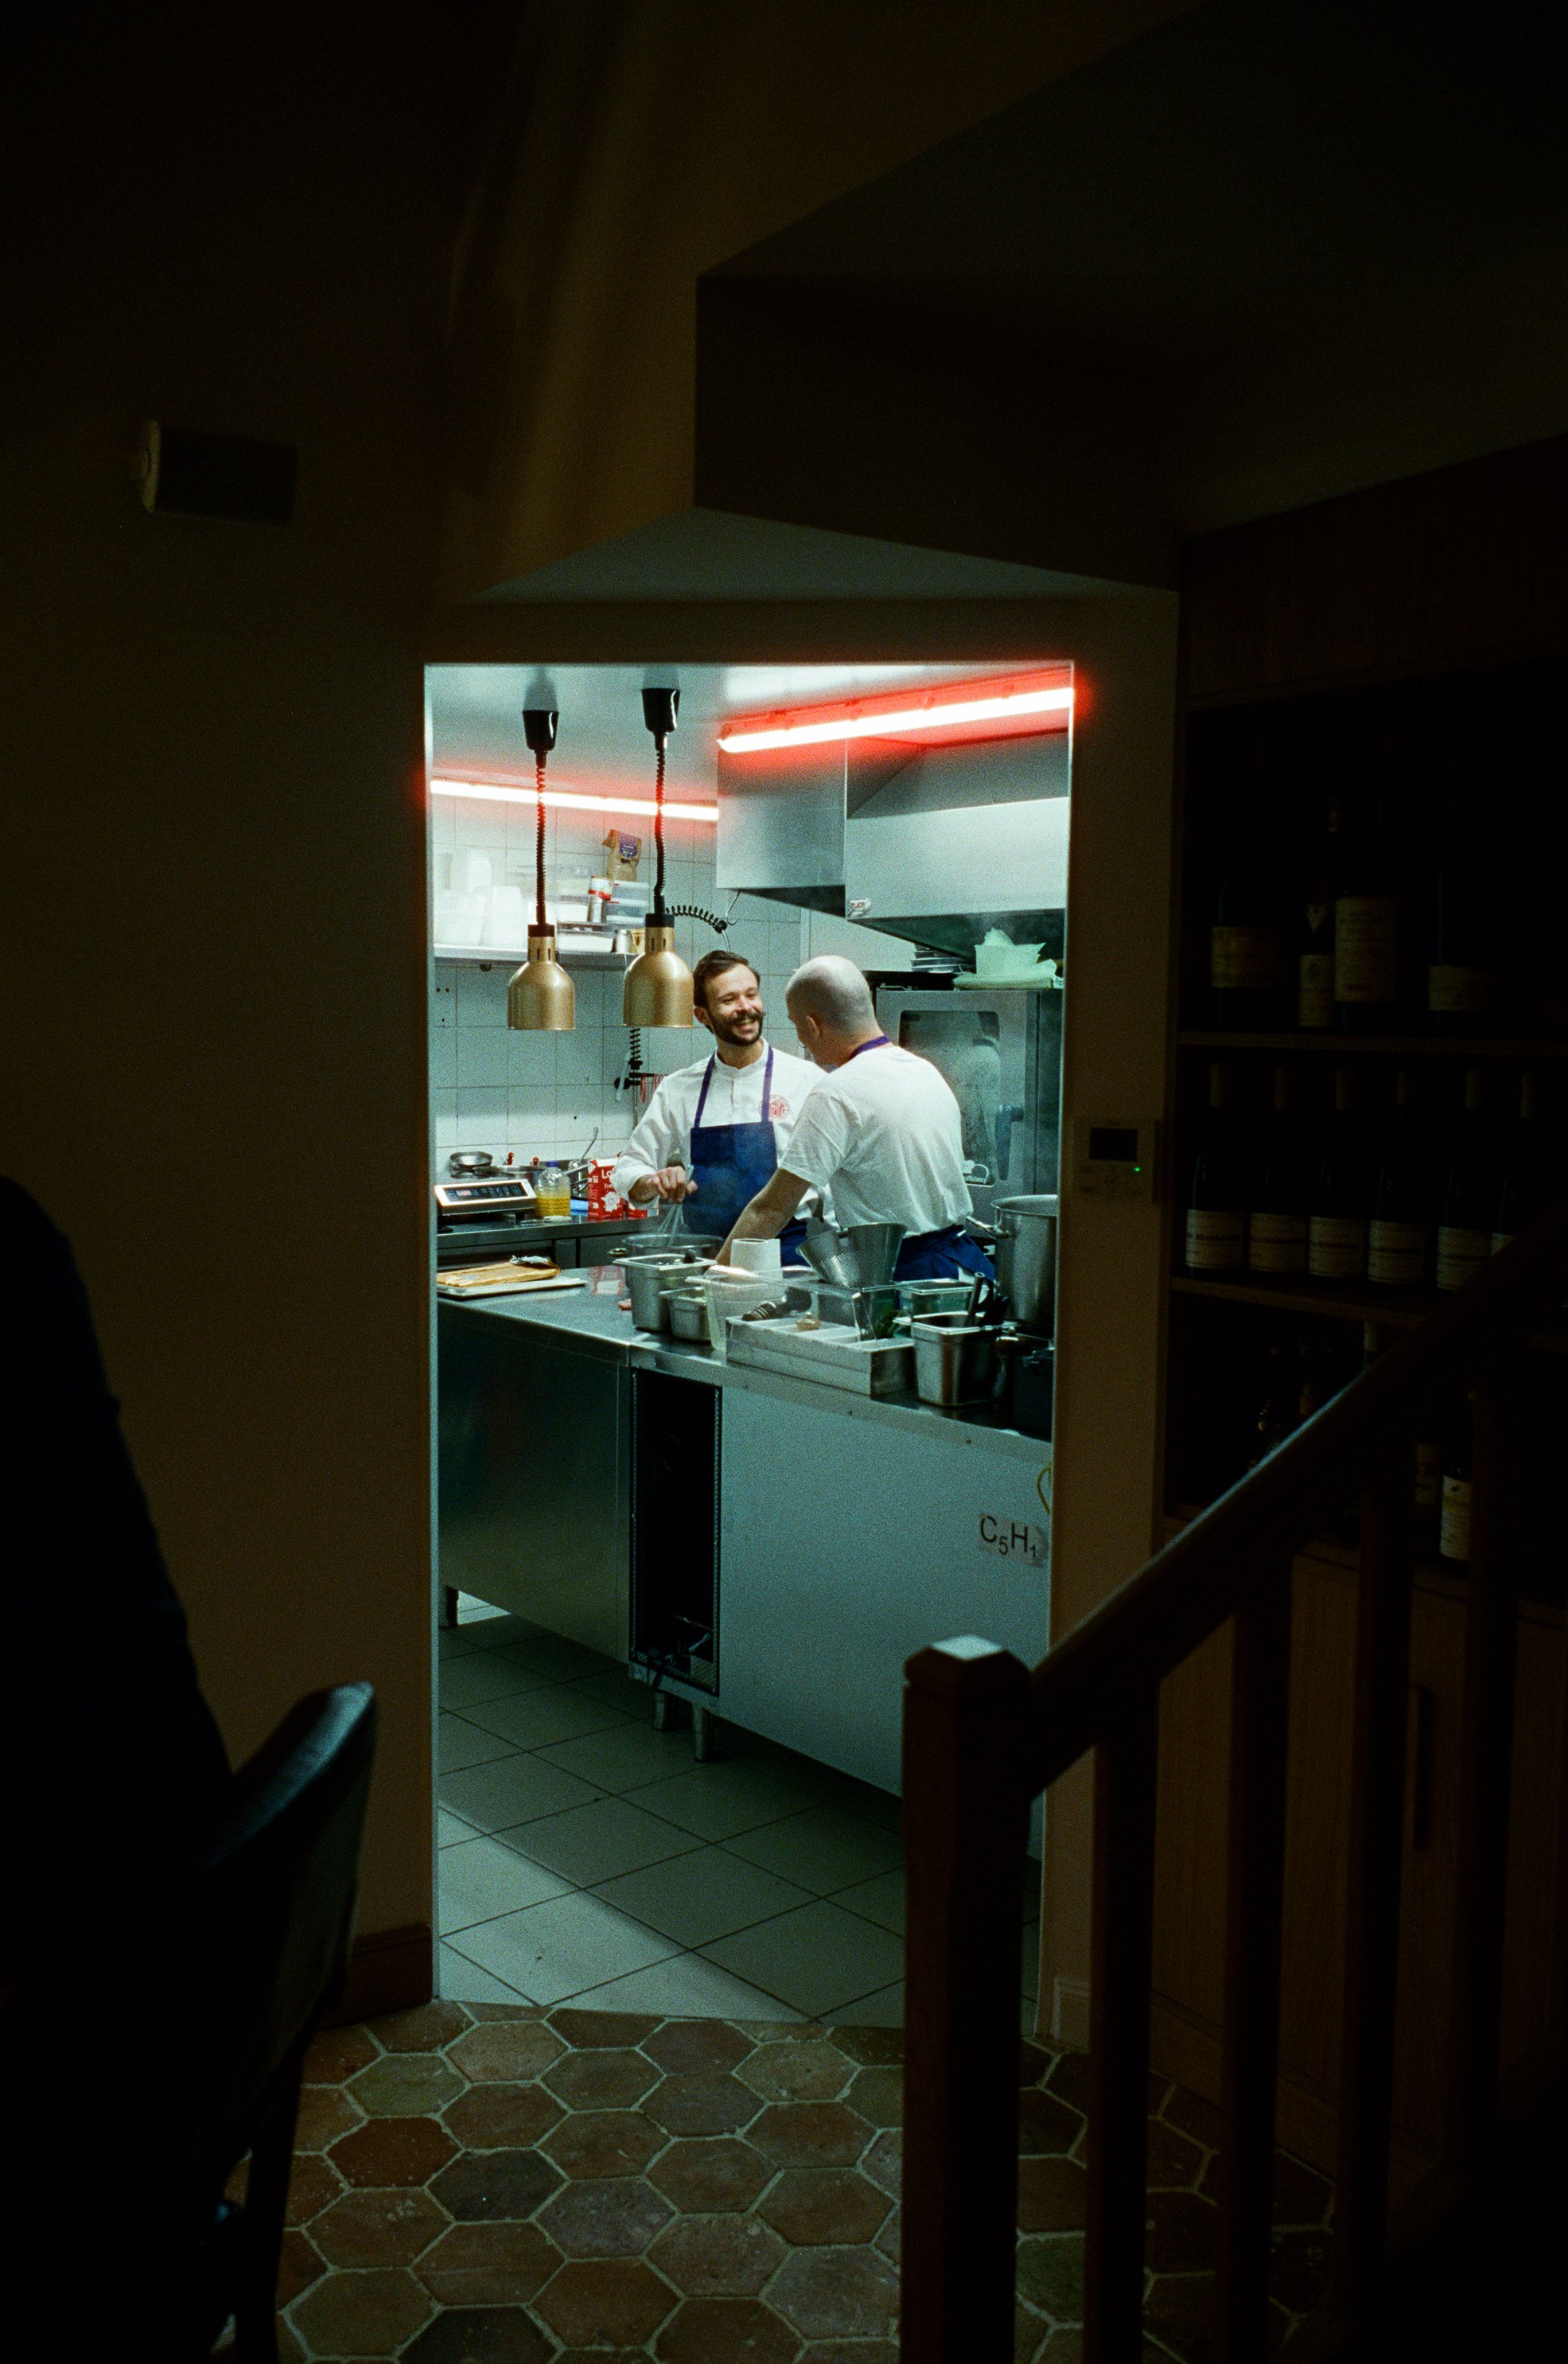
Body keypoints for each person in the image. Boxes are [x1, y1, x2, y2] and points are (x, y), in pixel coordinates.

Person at [718, 953, 995, 1282]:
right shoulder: (924, 1070)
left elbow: (772, 1208)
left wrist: (710, 1278)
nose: (800, 1039)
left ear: (812, 1026)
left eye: (796, 1025)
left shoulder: (835, 1093)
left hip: (907, 1278)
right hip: (967, 1268)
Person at [609, 948, 823, 1254]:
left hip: (783, 1251)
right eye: (729, 1000)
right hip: (702, 1251)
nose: (745, 1007)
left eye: (752, 995)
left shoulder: (806, 1081)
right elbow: (629, 1166)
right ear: (702, 1015)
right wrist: (653, 1181)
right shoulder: (679, 1089)